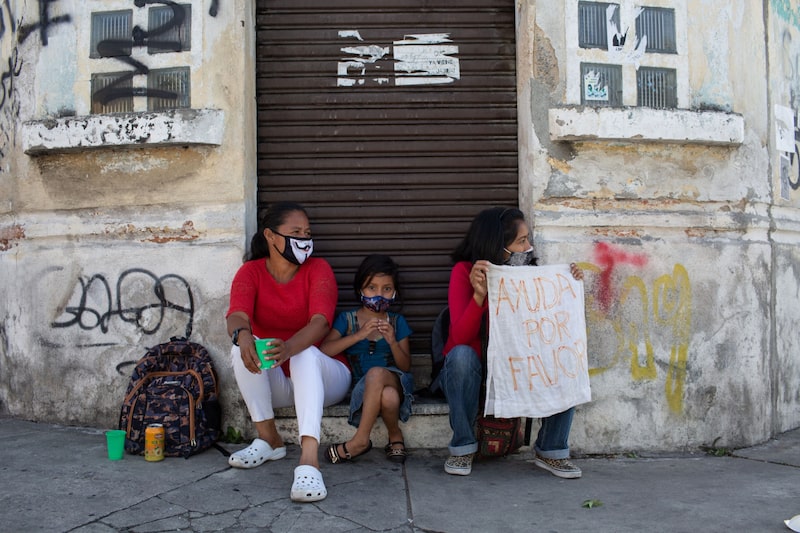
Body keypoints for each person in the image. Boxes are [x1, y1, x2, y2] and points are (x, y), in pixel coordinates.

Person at [438, 206, 584, 478]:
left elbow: (551, 329)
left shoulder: (532, 275)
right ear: (498, 246)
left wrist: (569, 283)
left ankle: (551, 450)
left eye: (528, 239)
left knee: (563, 355)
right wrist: (479, 295)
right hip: (475, 367)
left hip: (514, 364)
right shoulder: (464, 272)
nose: (528, 247)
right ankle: (462, 449)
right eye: (521, 241)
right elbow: (459, 337)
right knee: (459, 356)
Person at [225, 201, 351, 503]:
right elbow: (237, 315)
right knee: (241, 346)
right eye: (295, 232)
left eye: (307, 233)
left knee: (304, 354)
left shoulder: (318, 269)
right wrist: (242, 336)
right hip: (282, 381)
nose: (304, 240)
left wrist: (290, 348)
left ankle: (309, 460)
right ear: (270, 236)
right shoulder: (251, 272)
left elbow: (320, 323)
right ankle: (269, 439)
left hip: (327, 376)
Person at [320, 254, 414, 464]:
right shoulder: (347, 319)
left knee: (380, 375)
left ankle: (360, 440)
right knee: (388, 396)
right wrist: (358, 336)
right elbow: (325, 350)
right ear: (360, 289)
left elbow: (406, 366)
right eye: (372, 288)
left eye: (386, 289)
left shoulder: (398, 322)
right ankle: (395, 436)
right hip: (362, 388)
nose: (379, 294)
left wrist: (392, 341)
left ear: (394, 292)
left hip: (396, 380)